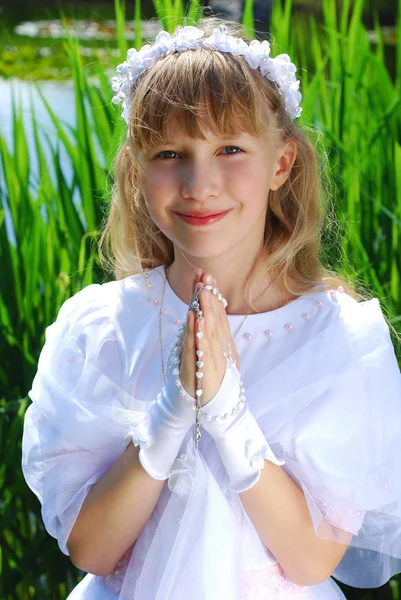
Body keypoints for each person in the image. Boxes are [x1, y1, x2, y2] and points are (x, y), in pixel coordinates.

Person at [21, 15, 401, 600]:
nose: (201, 182)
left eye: (230, 148)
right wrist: (171, 413)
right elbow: (92, 549)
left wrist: (227, 412)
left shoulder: (338, 338)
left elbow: (307, 561)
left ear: (281, 164)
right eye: (171, 153)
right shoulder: (100, 329)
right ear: (135, 171)